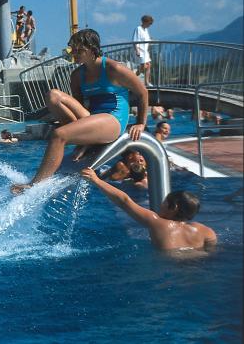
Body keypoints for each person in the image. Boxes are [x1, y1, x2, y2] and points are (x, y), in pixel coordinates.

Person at [12, 28, 149, 193]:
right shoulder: (77, 75)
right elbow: (79, 105)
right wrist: (82, 135)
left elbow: (142, 92)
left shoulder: (114, 69)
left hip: (112, 119)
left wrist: (141, 123)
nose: (74, 54)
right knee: (53, 95)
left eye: (79, 50)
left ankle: (35, 185)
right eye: (72, 50)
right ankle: (85, 139)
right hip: (92, 117)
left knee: (59, 135)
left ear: (92, 50)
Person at [80, 168, 217, 251]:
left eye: (164, 203)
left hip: (168, 268)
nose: (160, 205)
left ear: (173, 207)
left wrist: (96, 180)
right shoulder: (207, 232)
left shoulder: (157, 223)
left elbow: (124, 201)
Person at [132, 15, 154, 86]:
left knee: (148, 65)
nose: (149, 25)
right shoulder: (138, 29)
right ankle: (133, 77)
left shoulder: (146, 30)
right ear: (145, 22)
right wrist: (137, 50)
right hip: (140, 50)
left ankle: (146, 82)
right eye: (149, 23)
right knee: (144, 66)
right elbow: (135, 40)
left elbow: (147, 39)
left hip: (145, 51)